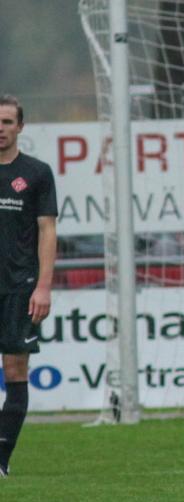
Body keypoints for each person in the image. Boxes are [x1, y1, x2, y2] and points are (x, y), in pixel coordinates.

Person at [0, 94, 57, 477]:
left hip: (20, 287)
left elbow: (47, 231)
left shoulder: (36, 173)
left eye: (6, 122)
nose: (0, 129)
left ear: (20, 127)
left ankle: (1, 460)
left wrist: (44, 287)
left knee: (15, 369)